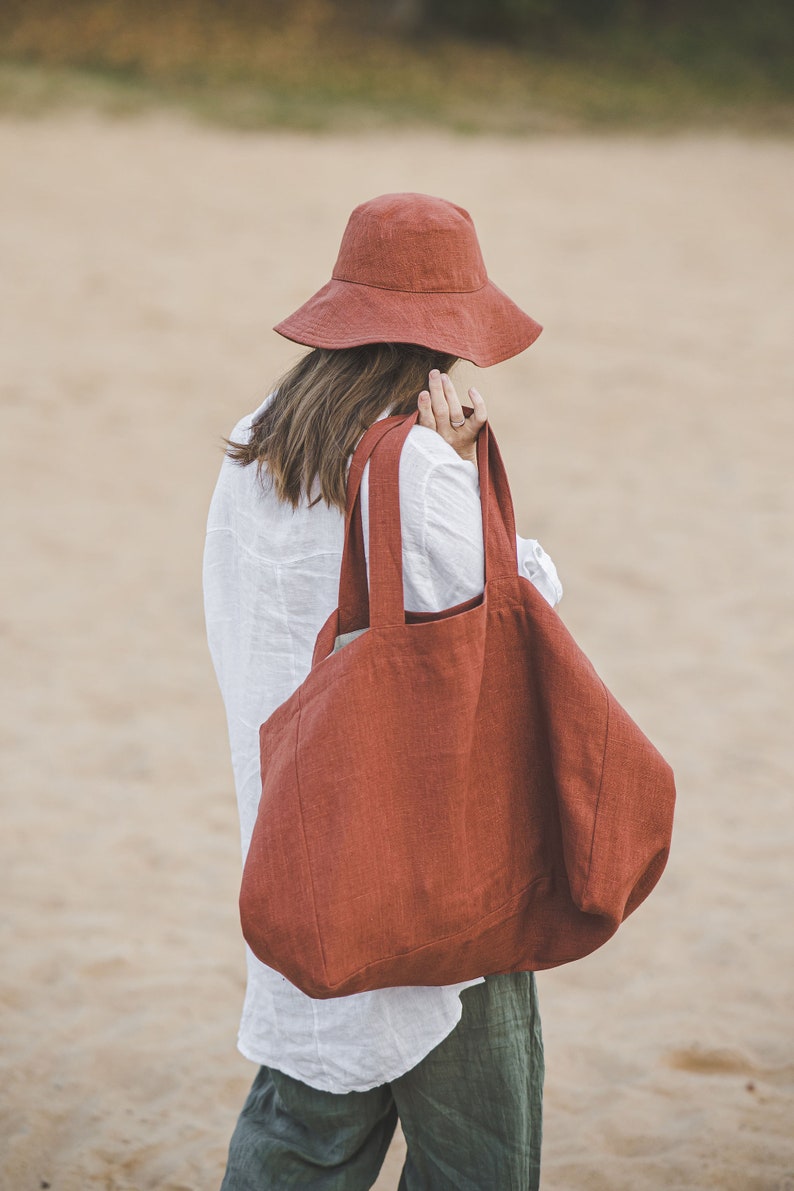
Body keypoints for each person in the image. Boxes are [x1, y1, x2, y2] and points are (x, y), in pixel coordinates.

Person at [203, 193, 562, 1190]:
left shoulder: (255, 442)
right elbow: (525, 604)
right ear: (436, 341)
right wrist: (461, 466)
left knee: (301, 1130)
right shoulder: (413, 467)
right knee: (477, 1155)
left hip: (297, 850)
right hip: (430, 870)